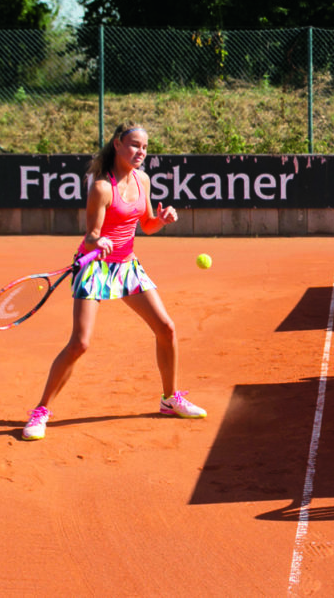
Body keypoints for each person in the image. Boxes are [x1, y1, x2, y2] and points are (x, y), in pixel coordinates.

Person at [23, 122, 206, 440]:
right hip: (94, 267)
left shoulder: (143, 180)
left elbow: (145, 225)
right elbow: (91, 234)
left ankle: (169, 399)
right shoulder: (101, 188)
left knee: (166, 328)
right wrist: (98, 242)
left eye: (145, 147)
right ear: (118, 144)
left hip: (126, 266)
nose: (141, 152)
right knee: (80, 343)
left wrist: (160, 220)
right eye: (135, 145)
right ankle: (40, 411)